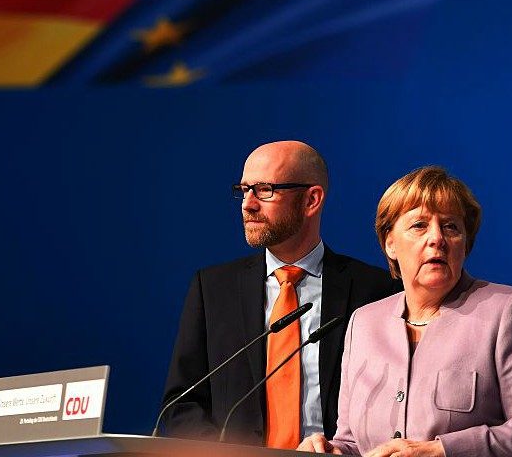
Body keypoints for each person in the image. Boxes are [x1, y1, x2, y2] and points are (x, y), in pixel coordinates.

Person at [298, 166, 512, 457]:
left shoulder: (506, 310)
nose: (437, 238)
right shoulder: (363, 323)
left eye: (451, 226)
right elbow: (352, 441)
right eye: (419, 225)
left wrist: (442, 451)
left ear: (465, 244)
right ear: (390, 243)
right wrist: (330, 449)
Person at [161, 141, 398, 448]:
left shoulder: (376, 290)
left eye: (264, 190)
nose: (248, 204)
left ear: (311, 200)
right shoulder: (213, 289)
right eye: (243, 190)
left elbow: (394, 402)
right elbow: (182, 405)